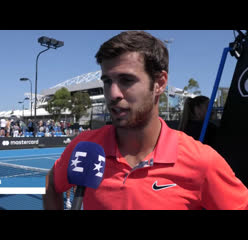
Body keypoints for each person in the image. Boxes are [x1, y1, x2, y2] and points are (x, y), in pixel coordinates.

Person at [43, 30, 248, 210]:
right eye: (107, 81)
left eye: (127, 80)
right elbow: (53, 183)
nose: (113, 93)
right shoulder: (85, 146)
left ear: (159, 83)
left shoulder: (202, 162)